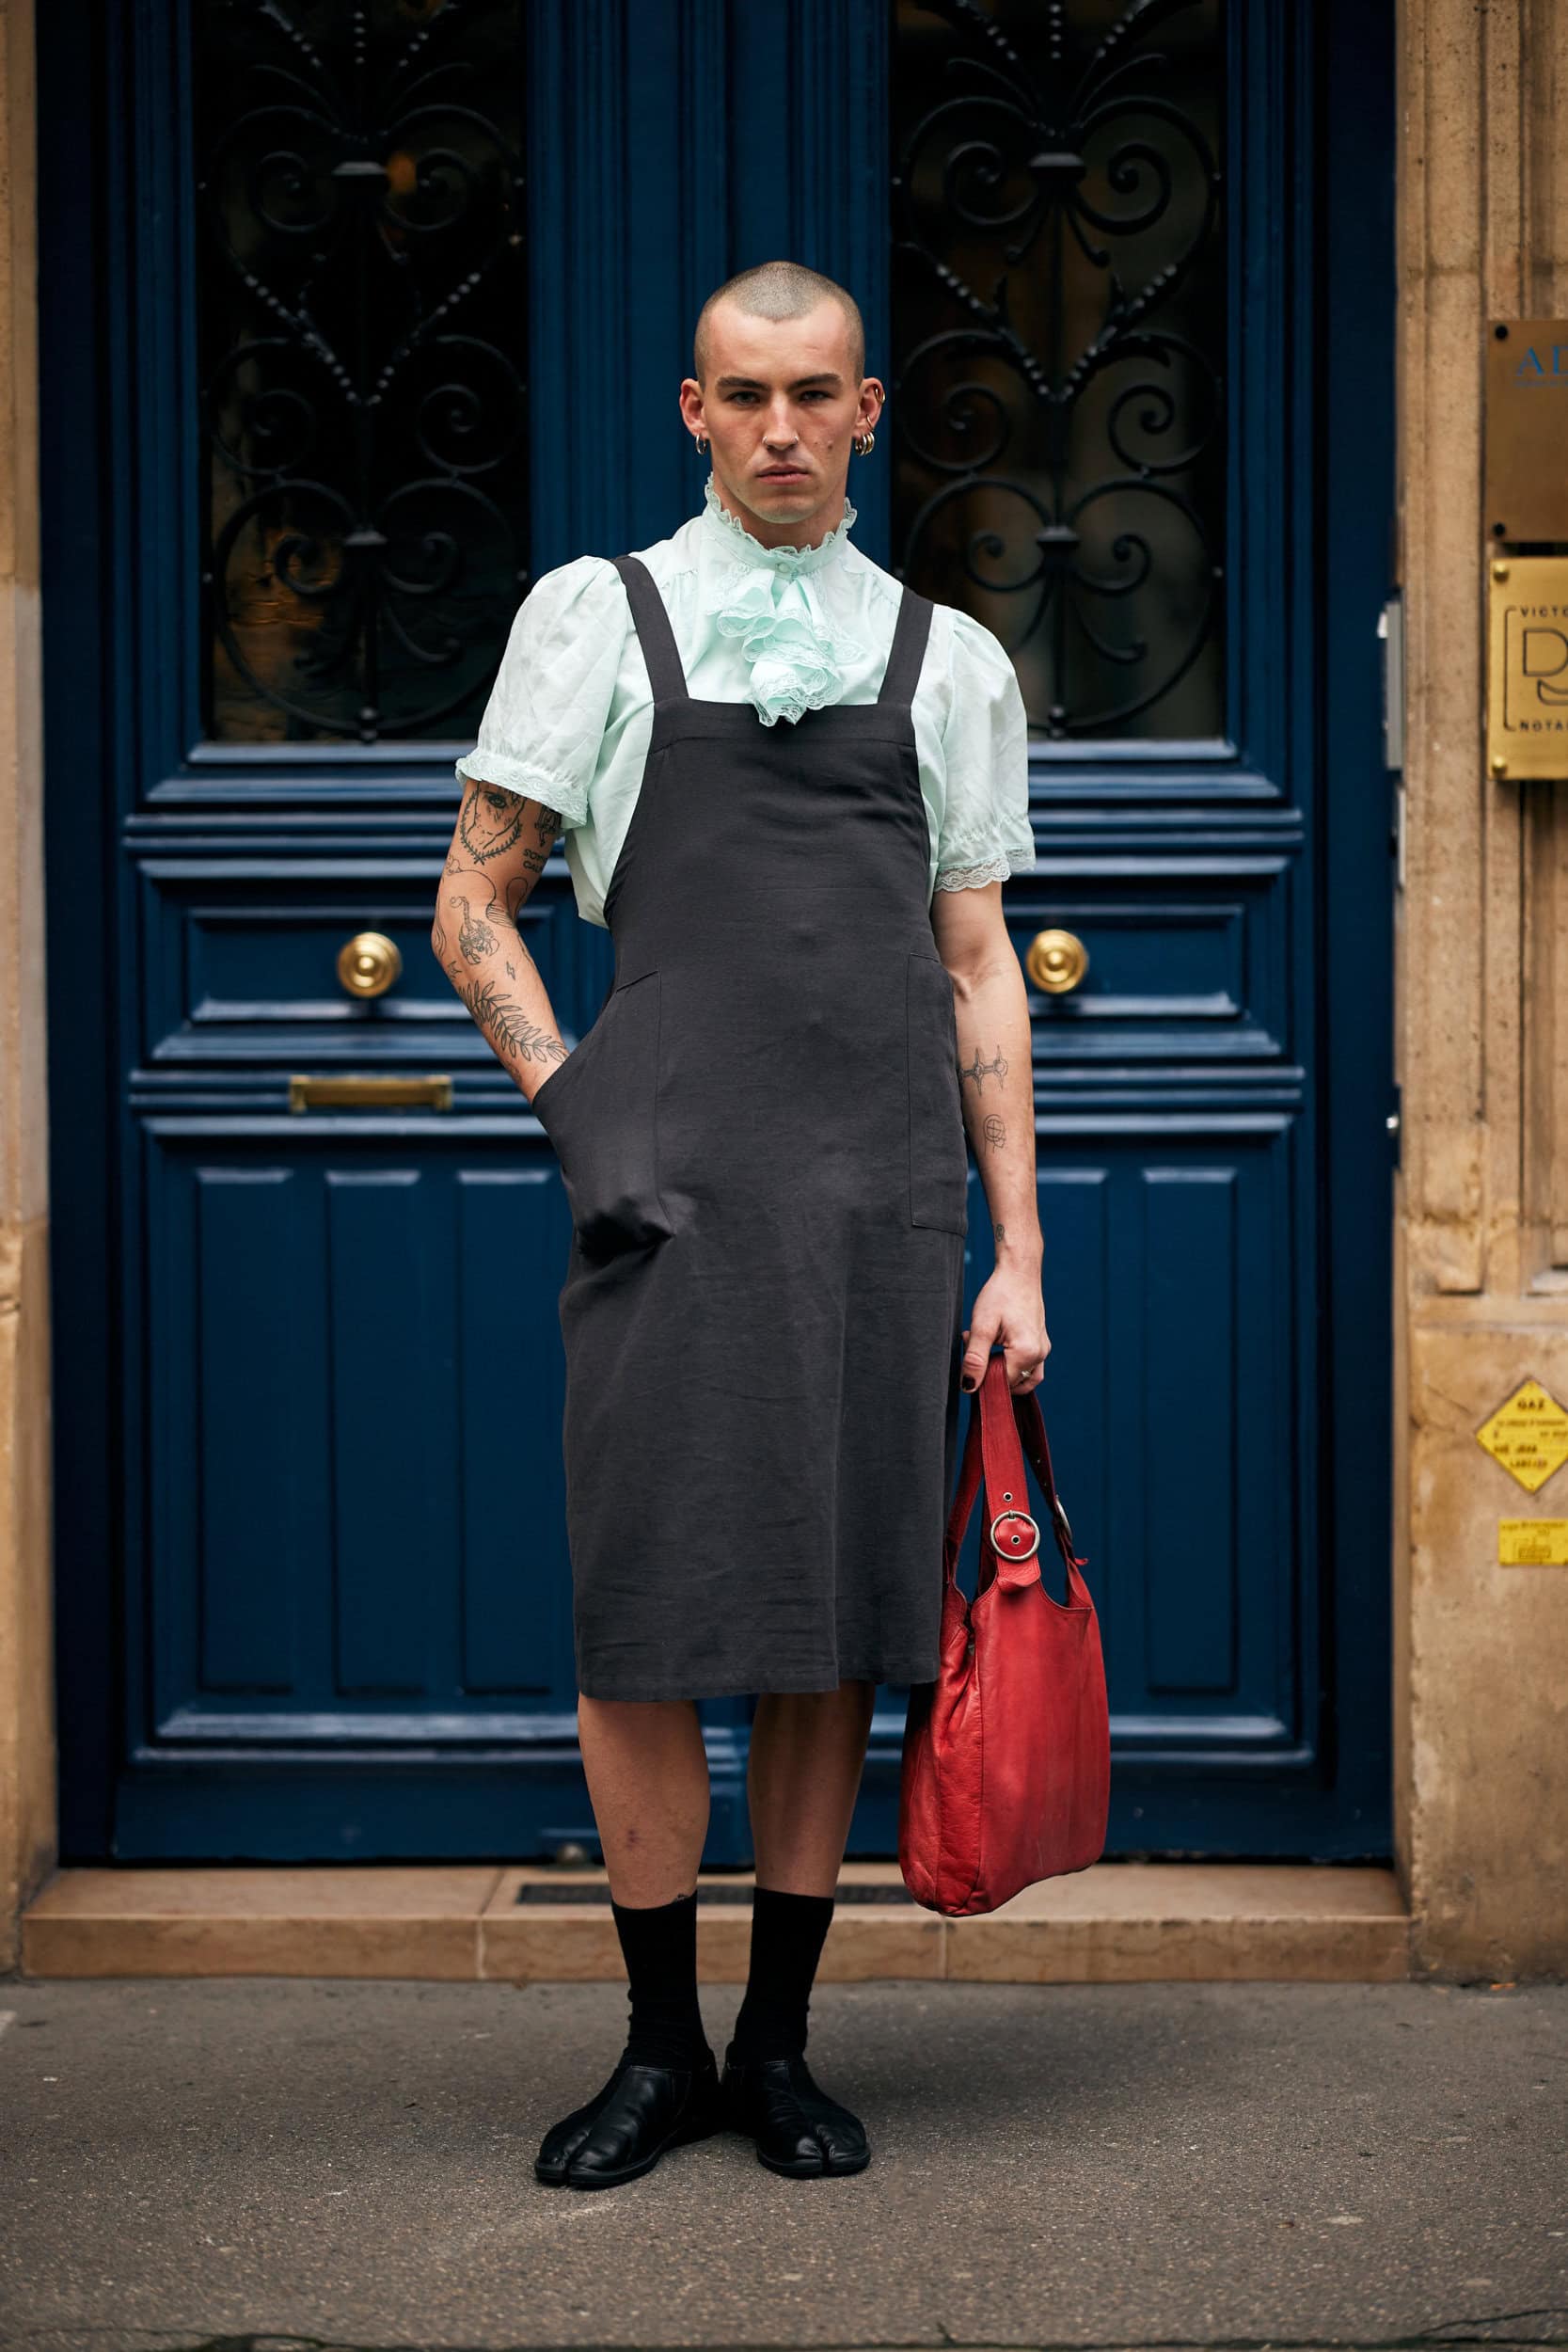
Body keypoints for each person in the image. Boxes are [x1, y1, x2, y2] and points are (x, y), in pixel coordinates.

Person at [434, 260, 1050, 2189]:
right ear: (692, 411)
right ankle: (658, 2051)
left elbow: (979, 964)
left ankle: (776, 2047)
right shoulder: (596, 617)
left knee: (827, 1630)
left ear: (869, 411)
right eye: (745, 394)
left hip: (880, 1207)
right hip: (664, 1202)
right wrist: (580, 1109)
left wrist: (1019, 1252)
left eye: (816, 392)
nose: (783, 426)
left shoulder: (947, 658)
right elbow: (469, 905)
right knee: (640, 1628)